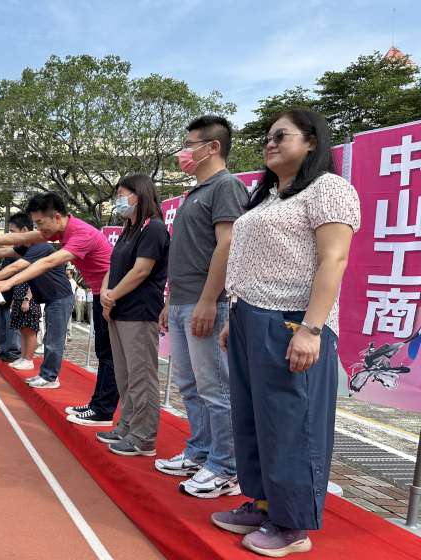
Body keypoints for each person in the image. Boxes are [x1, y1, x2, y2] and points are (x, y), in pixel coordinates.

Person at [212, 109, 360, 557]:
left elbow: (332, 260)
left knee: (292, 424)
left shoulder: (329, 189)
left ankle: (293, 524)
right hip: (247, 316)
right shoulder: (269, 197)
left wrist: (312, 329)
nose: (270, 142)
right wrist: (232, 316)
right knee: (253, 418)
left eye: (282, 135)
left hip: (292, 318)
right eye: (267, 137)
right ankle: (262, 503)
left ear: (312, 142)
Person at [155, 115, 248, 499]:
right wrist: (170, 299)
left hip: (205, 302)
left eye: (190, 144)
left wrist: (210, 300)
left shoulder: (226, 187)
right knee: (190, 384)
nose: (184, 152)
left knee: (215, 387)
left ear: (213, 147)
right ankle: (200, 452)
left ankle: (226, 467)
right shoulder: (196, 192)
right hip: (181, 301)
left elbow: (227, 246)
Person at [0, 195, 115, 425]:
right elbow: (20, 237)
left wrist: (6, 282)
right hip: (101, 293)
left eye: (39, 223)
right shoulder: (59, 231)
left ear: (56, 217)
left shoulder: (81, 233)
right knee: (104, 353)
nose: (38, 229)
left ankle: (103, 409)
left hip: (112, 294)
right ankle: (99, 406)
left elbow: (46, 263)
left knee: (108, 355)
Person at [96, 174, 169, 458]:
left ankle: (144, 436)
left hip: (139, 311)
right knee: (125, 375)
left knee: (142, 376)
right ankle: (127, 425)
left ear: (138, 194)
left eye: (122, 193)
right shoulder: (129, 228)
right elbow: (112, 268)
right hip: (118, 311)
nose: (118, 199)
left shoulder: (154, 229)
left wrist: (112, 295)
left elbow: (141, 270)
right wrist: (105, 293)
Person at [0, 212, 74, 390]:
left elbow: (16, 266)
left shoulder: (40, 247)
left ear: (24, 230)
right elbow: (4, 251)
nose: (11, 237)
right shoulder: (26, 247)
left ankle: (50, 377)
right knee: (40, 334)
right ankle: (42, 372)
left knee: (53, 339)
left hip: (60, 298)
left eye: (13, 232)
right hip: (49, 297)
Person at [7, 283, 40, 371]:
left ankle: (28, 360)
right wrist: (14, 300)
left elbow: (34, 284)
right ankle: (23, 357)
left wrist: (27, 299)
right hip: (19, 300)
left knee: (29, 331)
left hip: (29, 301)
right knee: (22, 330)